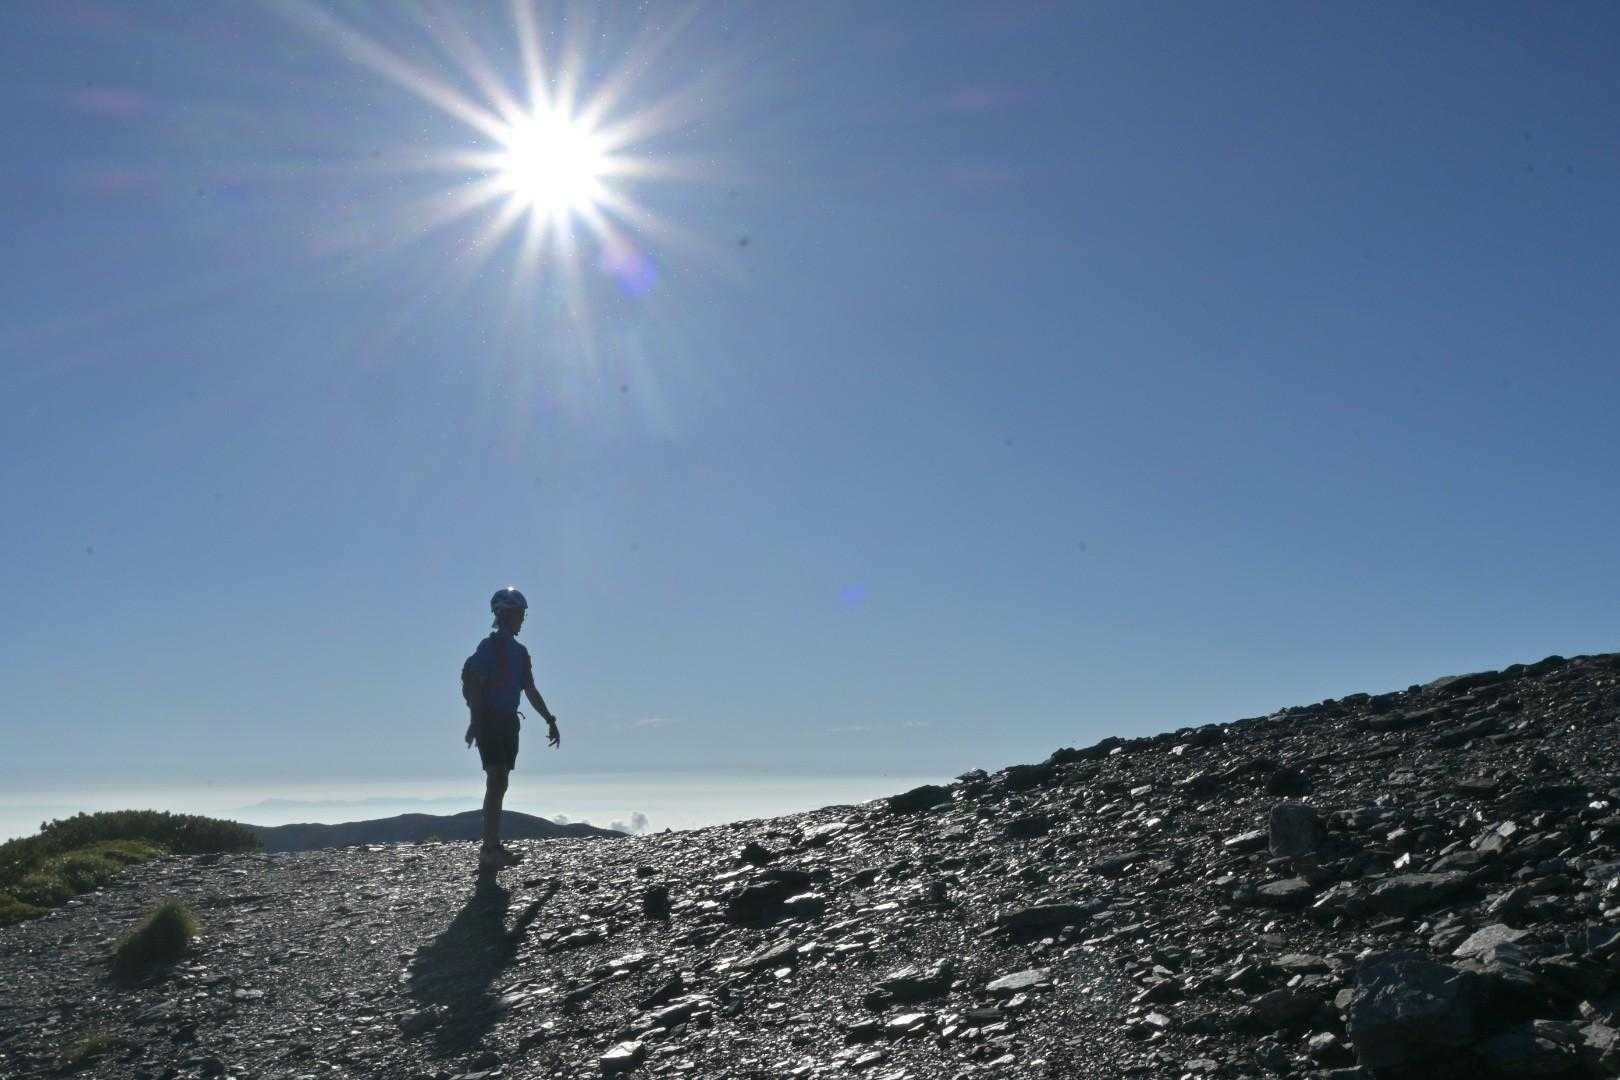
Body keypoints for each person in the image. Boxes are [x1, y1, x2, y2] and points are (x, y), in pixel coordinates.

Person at [464, 587, 560, 870]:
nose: (522, 620)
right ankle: (489, 849)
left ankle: (492, 847)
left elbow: (529, 690)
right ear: (505, 615)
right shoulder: (488, 647)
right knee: (496, 779)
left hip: (508, 722)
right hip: (491, 721)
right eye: (519, 614)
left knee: (500, 781)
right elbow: (475, 684)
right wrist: (475, 721)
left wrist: (549, 719)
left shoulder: (520, 653)